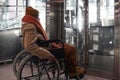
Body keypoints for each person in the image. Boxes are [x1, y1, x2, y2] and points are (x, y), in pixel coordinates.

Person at [21, 6, 85, 78]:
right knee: (72, 48)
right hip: (47, 49)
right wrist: (48, 55)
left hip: (45, 45)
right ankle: (72, 71)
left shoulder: (28, 24)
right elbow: (30, 46)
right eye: (37, 17)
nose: (39, 19)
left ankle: (71, 68)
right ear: (34, 17)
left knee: (67, 46)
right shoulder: (30, 26)